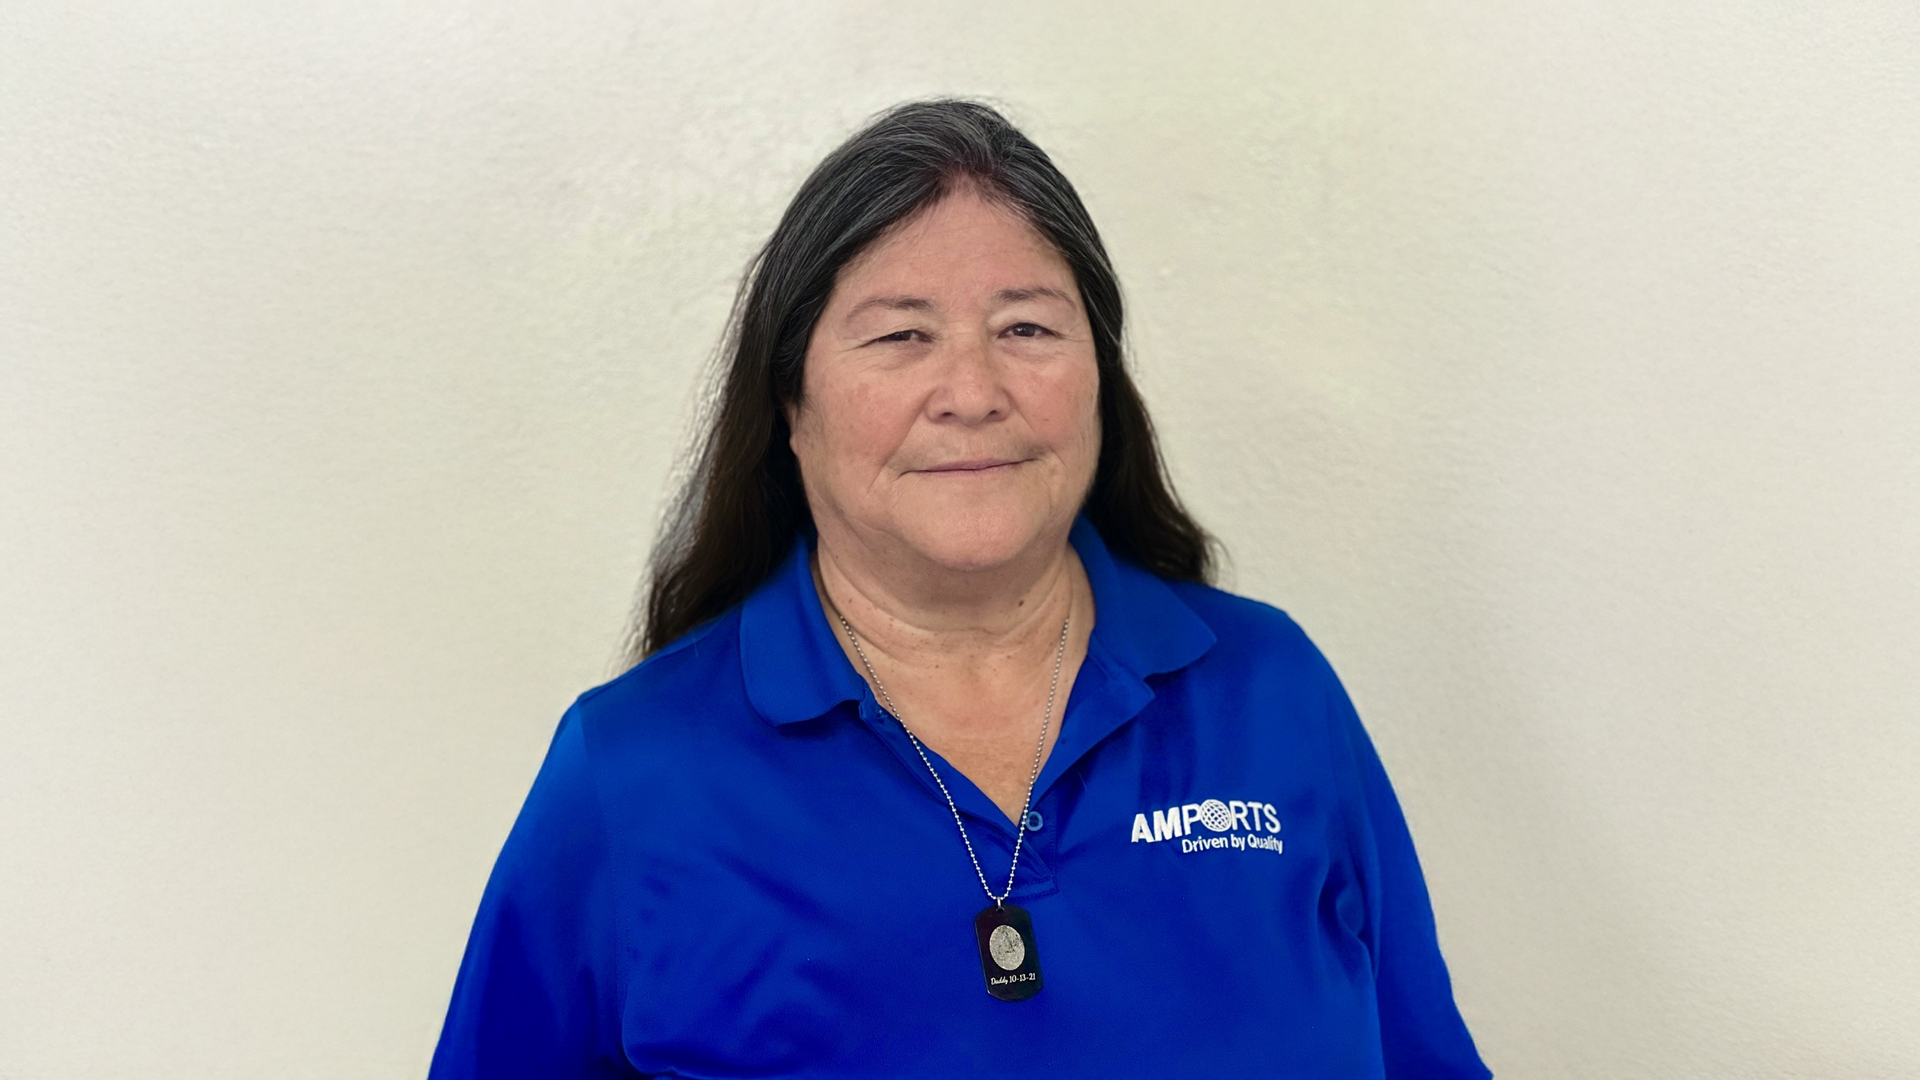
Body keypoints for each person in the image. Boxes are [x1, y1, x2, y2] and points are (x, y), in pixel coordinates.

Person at [430, 98, 1490, 1079]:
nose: (973, 393)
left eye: (1026, 328)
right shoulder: (629, 771)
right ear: (791, 405)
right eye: (902, 336)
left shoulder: (1271, 690)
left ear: (1100, 379)